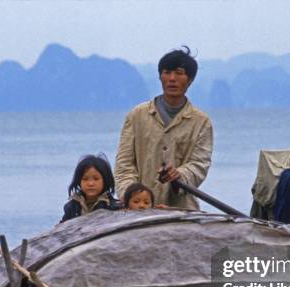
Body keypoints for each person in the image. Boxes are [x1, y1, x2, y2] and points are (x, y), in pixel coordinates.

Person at [114, 46, 213, 210]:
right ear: (160, 77)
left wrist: (180, 175)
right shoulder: (137, 115)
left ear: (190, 80)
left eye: (179, 73)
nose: (172, 78)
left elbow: (199, 165)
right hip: (137, 213)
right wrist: (133, 197)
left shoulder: (201, 122)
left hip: (180, 211)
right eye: (167, 72)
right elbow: (124, 165)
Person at [60, 154, 120, 222]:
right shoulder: (71, 207)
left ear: (105, 180)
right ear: (79, 181)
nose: (90, 183)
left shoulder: (114, 207)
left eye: (96, 179)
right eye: (85, 179)